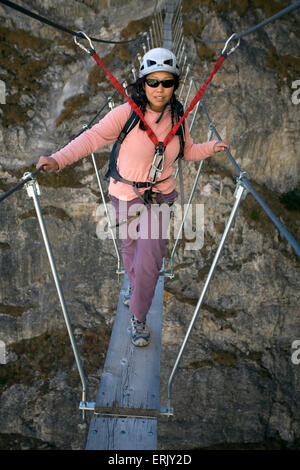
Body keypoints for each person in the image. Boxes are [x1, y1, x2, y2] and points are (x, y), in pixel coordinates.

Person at [37, 48, 229, 348]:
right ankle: (135, 287)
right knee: (129, 247)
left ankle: (138, 317)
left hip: (160, 197)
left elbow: (187, 151)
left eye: (167, 83)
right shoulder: (124, 114)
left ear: (175, 85)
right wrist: (57, 160)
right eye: (153, 82)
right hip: (125, 194)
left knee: (150, 260)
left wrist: (210, 147)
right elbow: (91, 138)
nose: (160, 89)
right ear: (143, 83)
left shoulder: (178, 116)